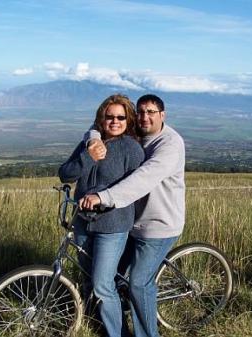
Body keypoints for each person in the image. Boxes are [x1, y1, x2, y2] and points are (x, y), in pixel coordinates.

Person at [80, 94, 186, 337]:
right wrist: (93, 140)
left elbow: (143, 179)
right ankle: (118, 324)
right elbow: (100, 124)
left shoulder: (170, 144)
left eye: (151, 112)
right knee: (113, 276)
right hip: (131, 222)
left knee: (139, 283)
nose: (144, 117)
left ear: (163, 115)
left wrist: (103, 197)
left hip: (159, 225)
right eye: (140, 112)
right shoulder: (137, 131)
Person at [58, 94, 144, 337]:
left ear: (128, 120)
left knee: (103, 284)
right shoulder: (89, 143)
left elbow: (134, 189)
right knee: (87, 277)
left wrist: (103, 200)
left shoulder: (131, 149)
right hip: (83, 222)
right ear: (101, 119)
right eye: (109, 117)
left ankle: (118, 333)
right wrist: (88, 156)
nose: (115, 121)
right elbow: (65, 174)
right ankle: (94, 321)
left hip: (113, 226)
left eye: (121, 117)